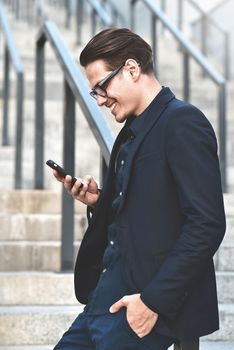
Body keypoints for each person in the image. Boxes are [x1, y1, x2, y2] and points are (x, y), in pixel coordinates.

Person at [52, 28, 226, 350]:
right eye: (95, 93)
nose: (101, 100)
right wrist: (100, 202)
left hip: (142, 308)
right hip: (103, 301)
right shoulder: (131, 130)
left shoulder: (182, 122)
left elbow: (207, 223)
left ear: (132, 69)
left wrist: (152, 302)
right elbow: (146, 210)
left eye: (101, 87)